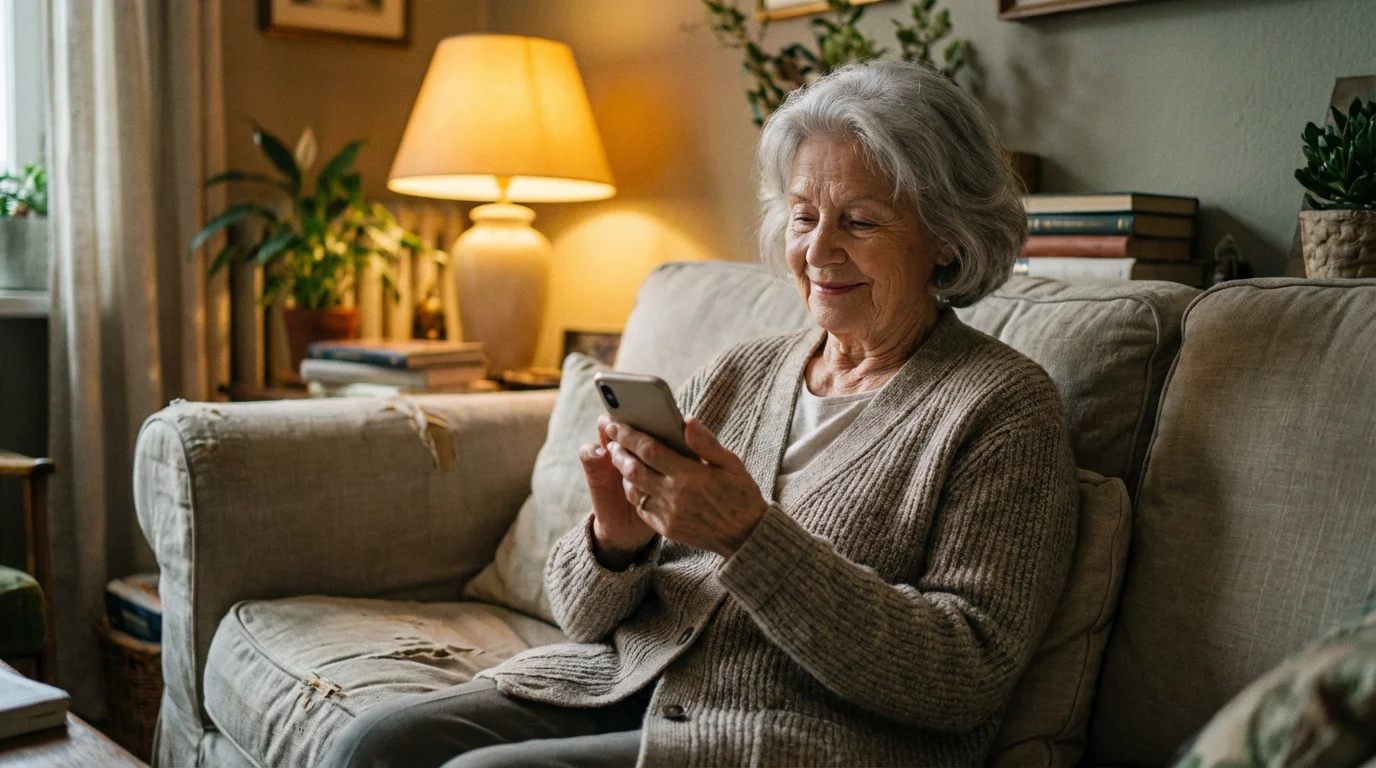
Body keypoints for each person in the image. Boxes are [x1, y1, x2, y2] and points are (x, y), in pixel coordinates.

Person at [322, 58, 1079, 768]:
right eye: (804, 214)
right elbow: (583, 618)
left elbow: (965, 673)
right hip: (630, 686)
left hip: (788, 736)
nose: (818, 251)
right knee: (378, 742)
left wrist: (746, 534)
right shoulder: (741, 373)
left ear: (946, 239)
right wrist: (616, 542)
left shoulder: (1002, 409)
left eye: (861, 221)